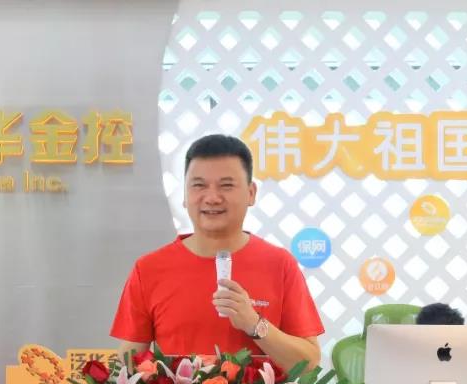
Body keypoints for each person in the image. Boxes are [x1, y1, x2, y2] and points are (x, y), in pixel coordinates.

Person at [110, 134, 324, 370]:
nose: (212, 198)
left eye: (226, 185)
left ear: (251, 193)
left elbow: (308, 363)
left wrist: (254, 324)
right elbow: (129, 360)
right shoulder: (149, 268)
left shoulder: (279, 264)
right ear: (184, 195)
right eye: (199, 185)